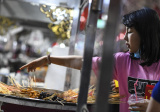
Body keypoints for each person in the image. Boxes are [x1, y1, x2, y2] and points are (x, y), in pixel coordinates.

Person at [20, 7, 160, 112]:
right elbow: (83, 62)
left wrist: (155, 107)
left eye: (129, 32)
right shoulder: (122, 61)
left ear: (145, 33)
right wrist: (48, 59)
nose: (124, 37)